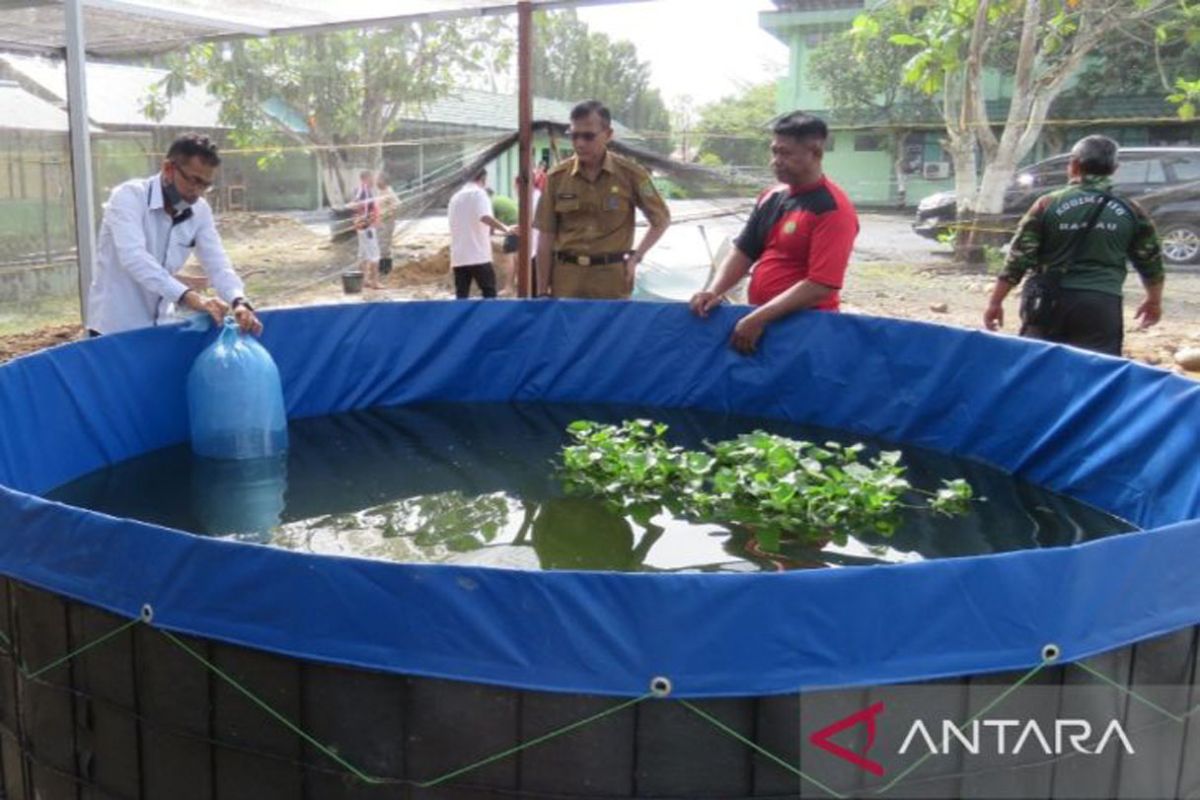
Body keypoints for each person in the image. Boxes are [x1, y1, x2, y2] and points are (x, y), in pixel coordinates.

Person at [689, 112, 858, 355]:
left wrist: (759, 318)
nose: (776, 161)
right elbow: (743, 251)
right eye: (774, 151)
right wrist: (715, 290)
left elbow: (822, 285)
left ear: (816, 152)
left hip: (806, 328)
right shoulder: (771, 196)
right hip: (760, 320)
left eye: (786, 153)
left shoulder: (832, 209)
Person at [983, 135, 1164, 356]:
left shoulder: (1047, 204)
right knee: (1096, 375)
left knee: (1038, 369)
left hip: (1048, 302)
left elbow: (1018, 259)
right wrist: (1153, 301)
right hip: (1101, 304)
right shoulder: (1131, 210)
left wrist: (995, 302)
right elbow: (1151, 263)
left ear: (1074, 164)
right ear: (1115, 168)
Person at [87, 133, 262, 336]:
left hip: (162, 328)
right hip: (115, 330)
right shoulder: (129, 197)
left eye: (205, 185)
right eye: (193, 180)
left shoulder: (200, 211)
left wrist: (238, 300)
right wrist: (189, 296)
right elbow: (134, 258)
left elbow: (217, 263)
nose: (197, 192)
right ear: (168, 169)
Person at [534, 100, 671, 299]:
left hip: (612, 282)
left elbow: (661, 219)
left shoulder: (631, 175)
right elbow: (545, 237)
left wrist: (636, 257)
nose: (580, 143)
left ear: (608, 135)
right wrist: (541, 291)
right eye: (574, 135)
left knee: (613, 331)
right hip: (567, 281)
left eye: (588, 136)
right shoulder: (557, 177)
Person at [447, 169, 511, 299]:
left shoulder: (455, 197)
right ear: (483, 179)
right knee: (489, 292)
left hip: (459, 256)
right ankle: (489, 319)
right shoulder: (479, 194)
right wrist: (506, 228)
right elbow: (484, 217)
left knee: (462, 294)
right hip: (478, 255)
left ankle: (463, 319)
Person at [351, 170, 382, 290]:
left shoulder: (366, 190)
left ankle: (364, 281)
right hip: (367, 228)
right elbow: (356, 203)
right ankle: (375, 282)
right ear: (366, 178)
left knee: (363, 255)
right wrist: (364, 219)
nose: (374, 180)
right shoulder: (363, 190)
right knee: (374, 255)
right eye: (372, 178)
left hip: (364, 227)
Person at [375, 173, 400, 276]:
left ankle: (385, 269)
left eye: (378, 180)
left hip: (387, 222)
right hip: (380, 222)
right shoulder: (380, 192)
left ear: (384, 181)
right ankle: (381, 268)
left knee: (384, 245)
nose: (376, 182)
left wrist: (388, 215)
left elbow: (397, 205)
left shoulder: (389, 192)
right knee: (380, 244)